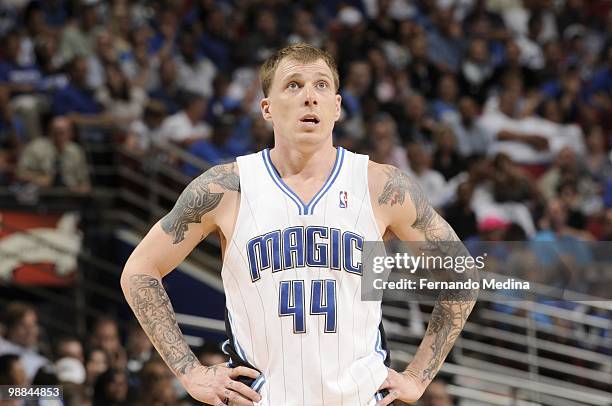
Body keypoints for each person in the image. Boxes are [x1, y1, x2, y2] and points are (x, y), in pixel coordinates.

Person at [121, 43, 477, 406]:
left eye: (322, 85)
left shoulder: (381, 187)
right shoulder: (227, 187)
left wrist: (417, 377)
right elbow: (139, 270)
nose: (310, 97)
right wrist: (190, 372)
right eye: (293, 85)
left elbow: (462, 274)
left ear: (337, 107)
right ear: (267, 109)